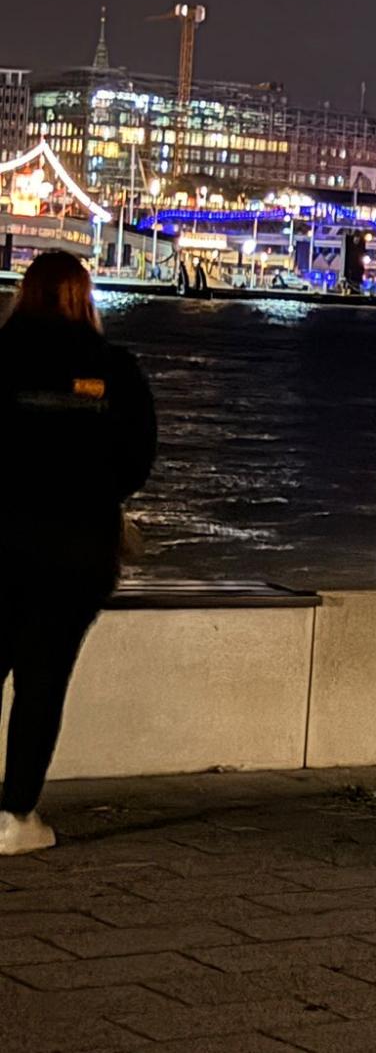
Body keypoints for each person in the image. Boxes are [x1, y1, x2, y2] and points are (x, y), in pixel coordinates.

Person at [0, 253, 156, 855]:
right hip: (74, 549)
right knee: (42, 682)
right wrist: (91, 491)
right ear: (83, 297)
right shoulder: (113, 368)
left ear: (24, 293)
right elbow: (137, 458)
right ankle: (16, 816)